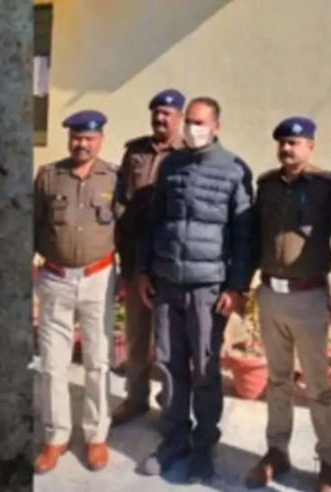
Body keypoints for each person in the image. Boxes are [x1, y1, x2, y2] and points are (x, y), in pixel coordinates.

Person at [136, 96, 255, 482]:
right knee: (169, 365)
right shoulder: (171, 165)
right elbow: (154, 221)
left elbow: (244, 235)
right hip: (168, 282)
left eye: (200, 122)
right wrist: (143, 270)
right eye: (189, 121)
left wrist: (236, 286)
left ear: (216, 126)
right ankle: (174, 440)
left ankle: (204, 446)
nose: (193, 128)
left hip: (208, 288)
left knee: (204, 369)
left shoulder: (234, 169)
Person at [243, 117, 331, 492]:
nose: (287, 149)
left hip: (309, 298)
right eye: (282, 143)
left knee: (318, 387)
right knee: (277, 380)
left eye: (295, 143)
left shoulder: (328, 186)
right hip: (271, 295)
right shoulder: (266, 186)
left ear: (311, 146)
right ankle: (277, 451)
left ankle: (328, 464)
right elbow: (253, 240)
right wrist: (243, 287)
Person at [33, 109, 122, 474]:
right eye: (76, 137)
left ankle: (96, 435)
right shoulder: (49, 176)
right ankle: (56, 437)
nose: (81, 144)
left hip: (98, 278)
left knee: (97, 361)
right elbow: (33, 224)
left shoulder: (114, 178)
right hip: (55, 278)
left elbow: (125, 230)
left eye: (89, 138)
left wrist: (130, 275)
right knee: (52, 364)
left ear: (100, 139)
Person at [112, 88, 186, 426]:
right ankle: (135, 398)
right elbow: (120, 200)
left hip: (171, 258)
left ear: (180, 117)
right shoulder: (136, 152)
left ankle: (170, 404)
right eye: (156, 112)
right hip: (136, 257)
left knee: (171, 339)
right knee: (137, 334)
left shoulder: (187, 153)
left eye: (167, 113)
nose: (160, 118)